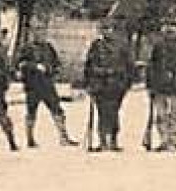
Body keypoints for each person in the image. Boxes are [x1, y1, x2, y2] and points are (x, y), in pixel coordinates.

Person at [16, 21, 76, 148]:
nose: (40, 34)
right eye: (37, 31)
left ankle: (63, 137)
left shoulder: (49, 47)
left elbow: (56, 63)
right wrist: (34, 66)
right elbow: (20, 64)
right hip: (32, 85)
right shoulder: (27, 48)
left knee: (57, 110)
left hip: (47, 84)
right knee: (31, 112)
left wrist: (54, 70)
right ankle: (30, 139)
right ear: (33, 33)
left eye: (42, 31)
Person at [146, 10, 176, 153]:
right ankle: (164, 140)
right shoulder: (158, 46)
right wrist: (150, 85)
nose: (170, 29)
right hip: (160, 85)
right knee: (161, 115)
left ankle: (174, 140)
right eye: (168, 25)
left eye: (173, 25)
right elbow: (152, 66)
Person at [82, 19, 132, 152]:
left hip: (117, 85)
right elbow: (89, 65)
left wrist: (126, 83)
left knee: (114, 113)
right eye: (104, 29)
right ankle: (103, 141)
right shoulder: (96, 46)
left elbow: (129, 66)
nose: (107, 31)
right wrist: (88, 83)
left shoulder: (122, 46)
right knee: (102, 113)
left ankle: (114, 140)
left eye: (109, 28)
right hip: (100, 85)